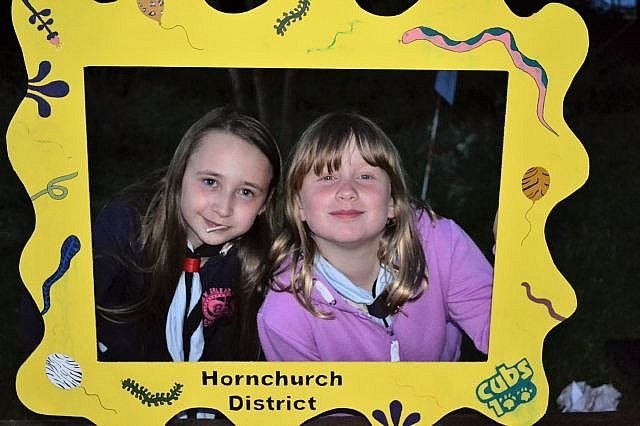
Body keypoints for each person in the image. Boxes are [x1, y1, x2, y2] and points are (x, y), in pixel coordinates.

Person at [257, 111, 493, 362]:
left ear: (392, 202)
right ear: (299, 206)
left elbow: (507, 333)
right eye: (328, 177)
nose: (347, 191)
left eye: (365, 176)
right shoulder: (284, 315)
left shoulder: (439, 243)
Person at [92, 106, 281, 362]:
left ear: (265, 204)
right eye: (210, 182)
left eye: (246, 192)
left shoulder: (263, 263)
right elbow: (60, 318)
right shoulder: (126, 228)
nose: (223, 208)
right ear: (180, 172)